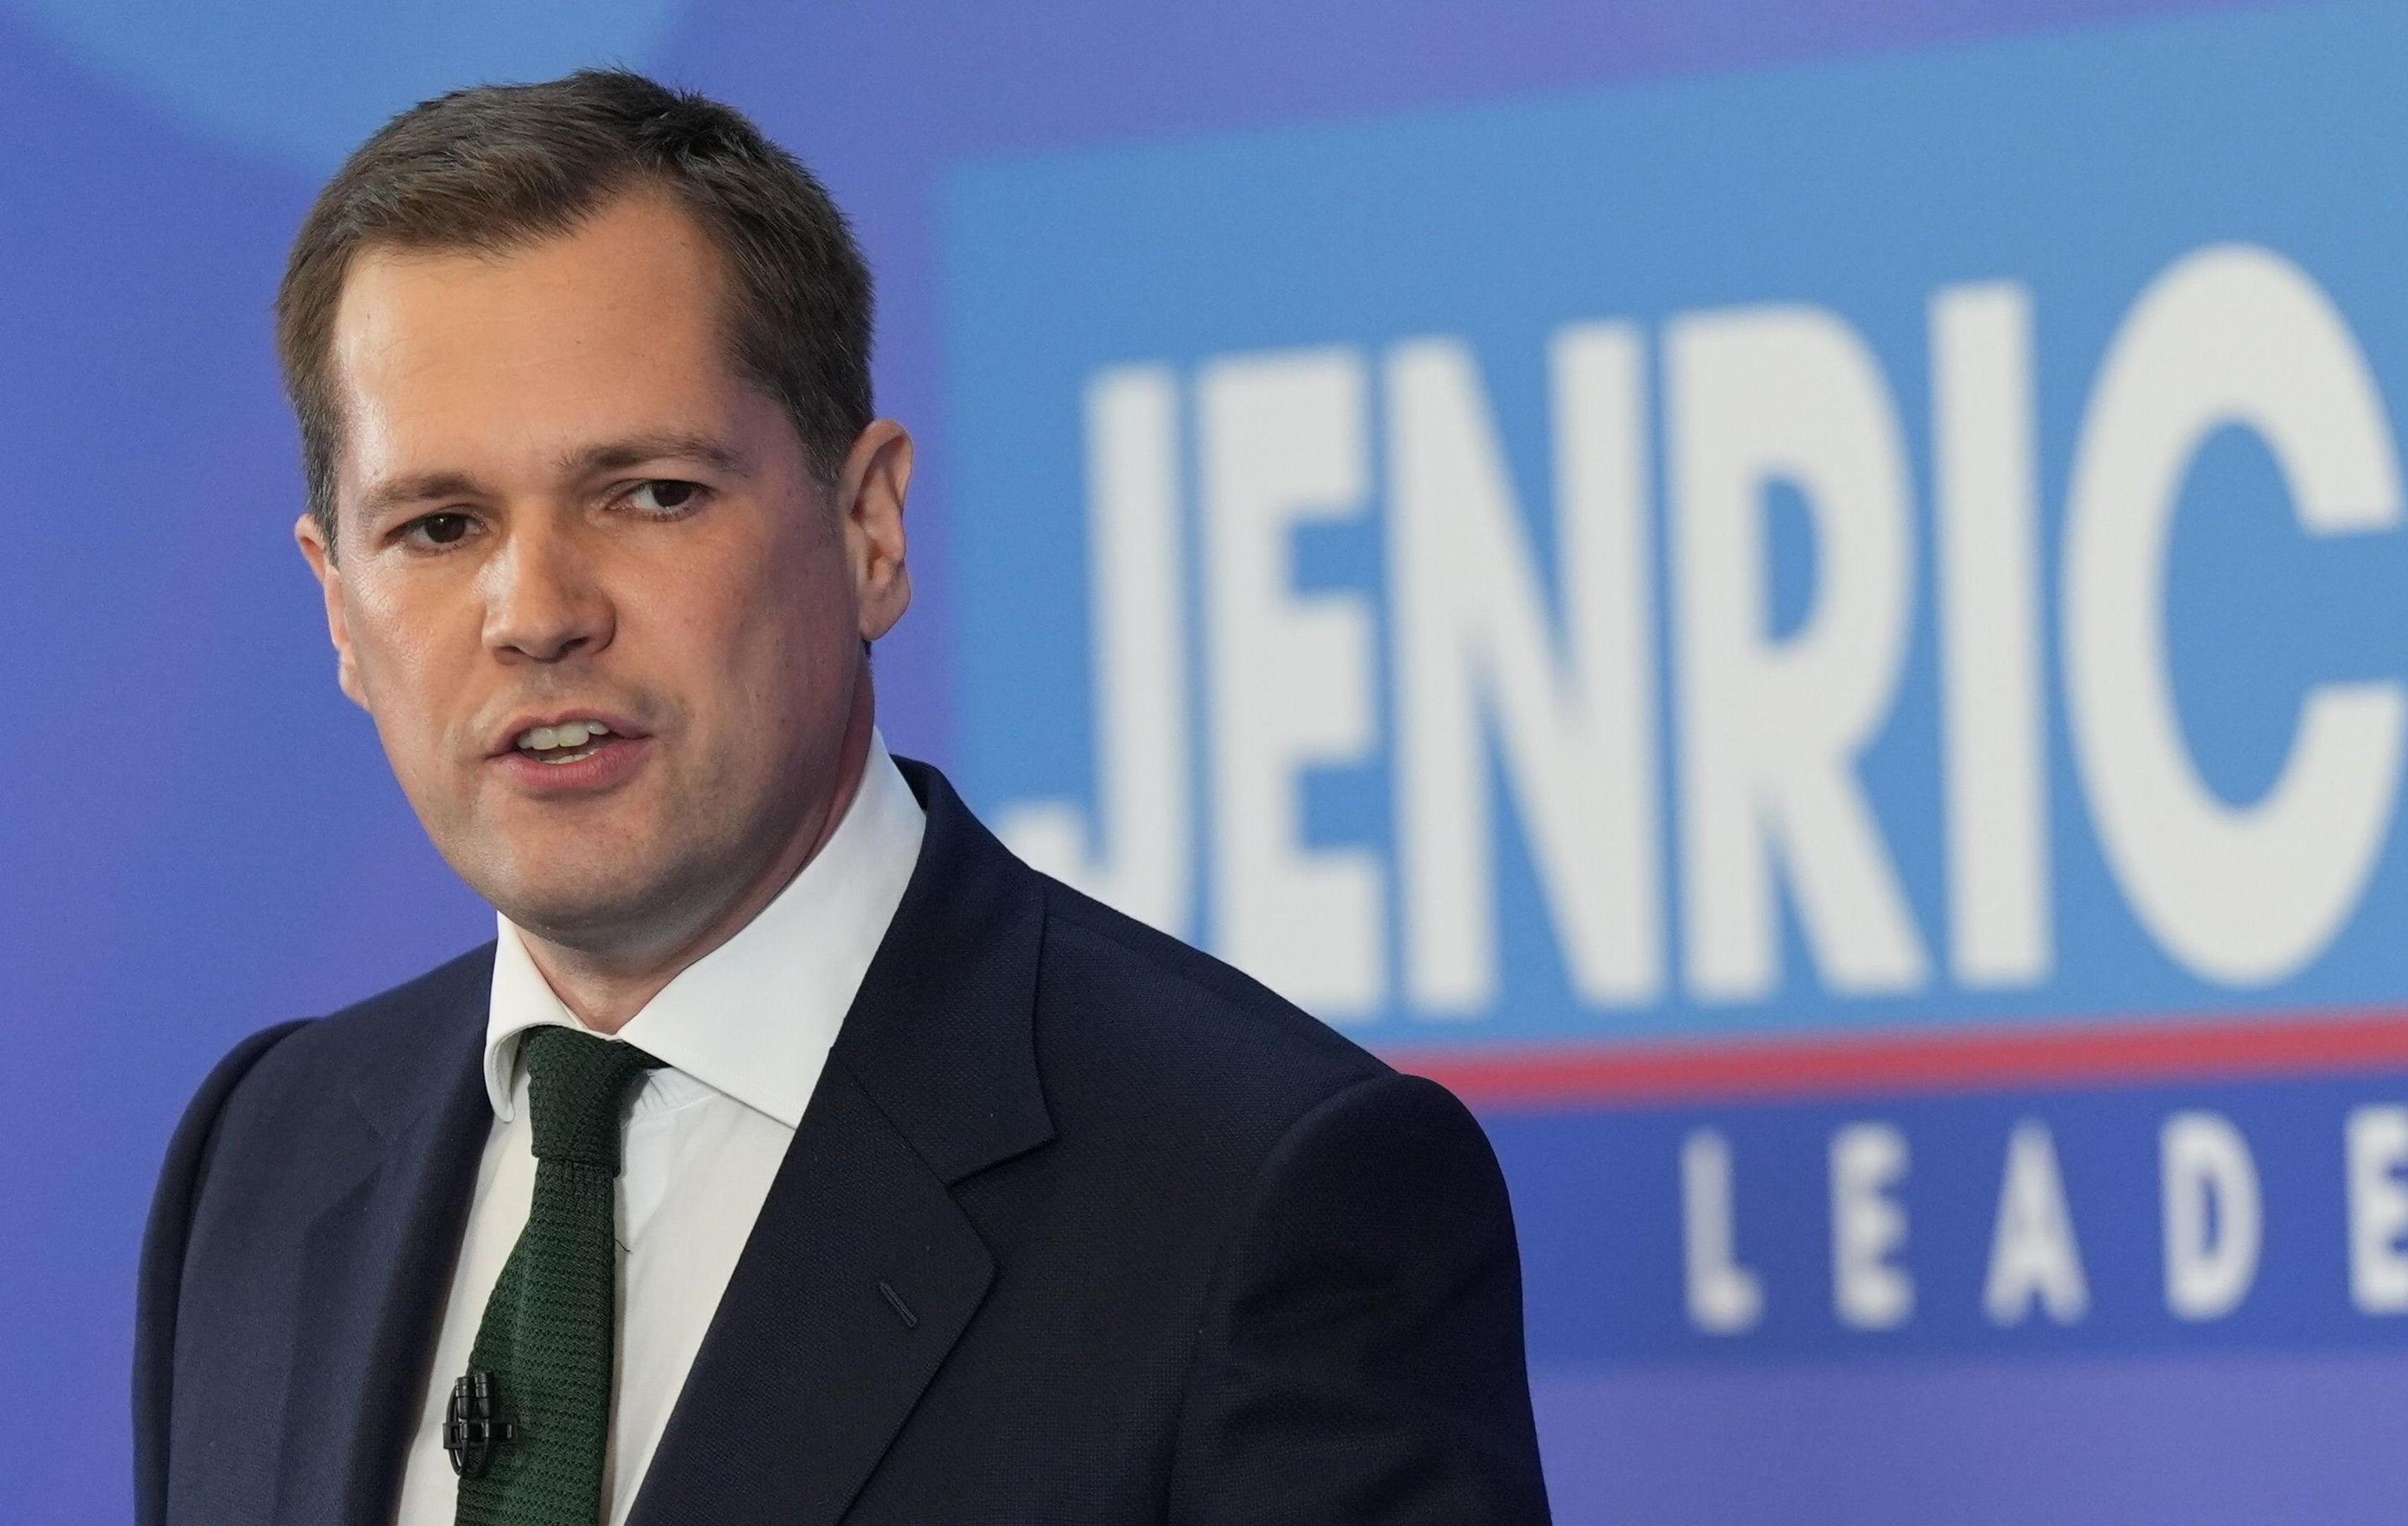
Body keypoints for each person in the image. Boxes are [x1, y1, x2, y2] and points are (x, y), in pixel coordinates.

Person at [134, 69, 1551, 1526]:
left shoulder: (1259, 1192)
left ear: (868, 526)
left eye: (650, 494)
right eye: (439, 526)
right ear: (336, 605)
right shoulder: (263, 1155)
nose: (535, 611)